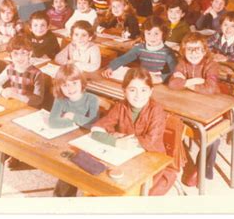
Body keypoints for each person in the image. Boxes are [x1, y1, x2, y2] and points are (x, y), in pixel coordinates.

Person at [91, 67, 177, 195]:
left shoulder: (156, 110)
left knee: (132, 193)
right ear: (124, 91)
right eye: (132, 90)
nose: (138, 95)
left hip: (152, 160)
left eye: (143, 90)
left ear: (150, 91)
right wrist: (116, 142)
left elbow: (150, 141)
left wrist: (121, 136)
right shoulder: (120, 106)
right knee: (102, 181)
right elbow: (96, 131)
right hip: (126, 156)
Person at [168, 33, 221, 180]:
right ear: (183, 51)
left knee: (214, 135)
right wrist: (193, 82)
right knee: (170, 123)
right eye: (189, 49)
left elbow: (210, 89)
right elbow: (172, 84)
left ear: (204, 51)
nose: (193, 53)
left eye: (197, 49)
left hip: (211, 106)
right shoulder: (181, 64)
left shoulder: (211, 65)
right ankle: (185, 165)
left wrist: (185, 83)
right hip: (187, 106)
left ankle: (202, 168)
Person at [49, 64, 99, 197]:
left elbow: (92, 123)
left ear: (82, 82)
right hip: (69, 140)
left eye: (74, 83)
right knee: (66, 165)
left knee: (77, 167)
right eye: (65, 85)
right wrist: (77, 122)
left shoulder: (92, 99)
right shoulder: (60, 100)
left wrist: (72, 116)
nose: (70, 89)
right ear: (59, 87)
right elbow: (53, 122)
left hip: (88, 142)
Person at [102, 16, 177, 84]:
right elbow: (124, 58)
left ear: (163, 34)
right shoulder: (140, 48)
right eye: (148, 33)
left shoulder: (167, 52)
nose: (152, 37)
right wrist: (111, 67)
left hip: (158, 81)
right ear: (144, 34)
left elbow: (175, 71)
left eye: (156, 34)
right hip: (142, 78)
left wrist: (161, 78)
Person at [0, 35, 45, 108]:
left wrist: (16, 96)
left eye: (23, 53)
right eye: (15, 53)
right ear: (10, 55)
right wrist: (2, 92)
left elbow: (38, 100)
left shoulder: (37, 74)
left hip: (30, 108)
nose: (19, 57)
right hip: (14, 105)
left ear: (30, 54)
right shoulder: (10, 69)